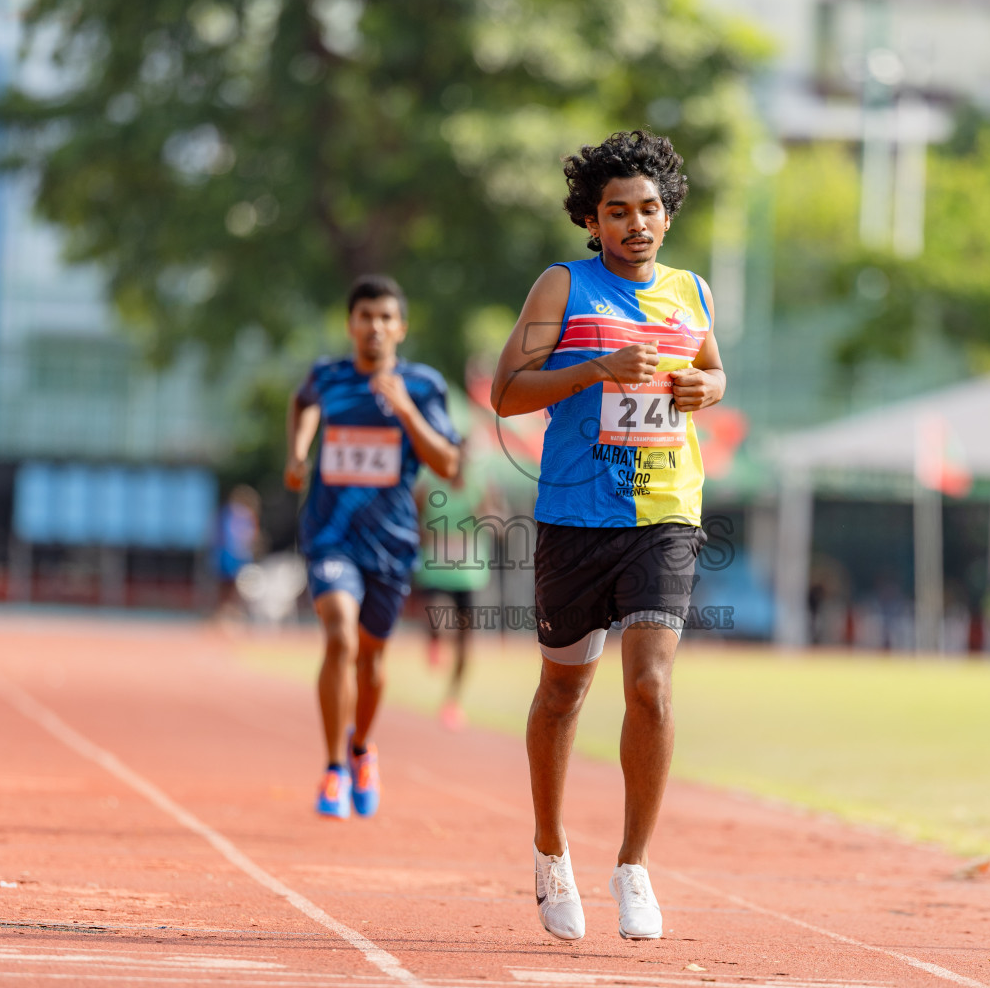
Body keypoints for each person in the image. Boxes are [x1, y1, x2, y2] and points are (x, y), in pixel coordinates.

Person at [490, 130, 726, 941]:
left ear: (669, 215)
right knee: (564, 692)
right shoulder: (564, 286)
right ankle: (550, 851)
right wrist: (595, 369)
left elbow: (713, 370)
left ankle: (634, 865)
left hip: (665, 512)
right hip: (575, 517)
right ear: (592, 222)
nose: (636, 223)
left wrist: (704, 388)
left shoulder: (691, 291)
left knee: (651, 687)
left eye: (649, 209)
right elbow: (507, 393)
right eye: (618, 211)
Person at [284, 275, 460, 819]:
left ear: (401, 327)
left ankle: (362, 747)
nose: (375, 327)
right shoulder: (328, 376)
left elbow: (449, 464)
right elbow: (302, 403)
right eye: (365, 317)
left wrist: (405, 410)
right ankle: (333, 768)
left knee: (372, 658)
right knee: (340, 635)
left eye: (386, 318)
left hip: (390, 541)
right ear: (350, 325)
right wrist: (298, 451)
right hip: (331, 534)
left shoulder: (423, 386)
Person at [414, 443, 494, 730]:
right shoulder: (429, 484)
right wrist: (422, 534)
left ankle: (452, 701)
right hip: (436, 570)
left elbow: (496, 522)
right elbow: (413, 515)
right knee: (439, 618)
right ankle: (435, 638)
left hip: (469, 574)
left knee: (465, 642)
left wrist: (487, 518)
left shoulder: (479, 486)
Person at [214, 485, 262, 620]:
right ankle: (227, 612)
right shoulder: (233, 515)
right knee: (230, 587)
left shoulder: (232, 514)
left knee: (234, 588)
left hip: (235, 557)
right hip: (232, 556)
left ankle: (230, 611)